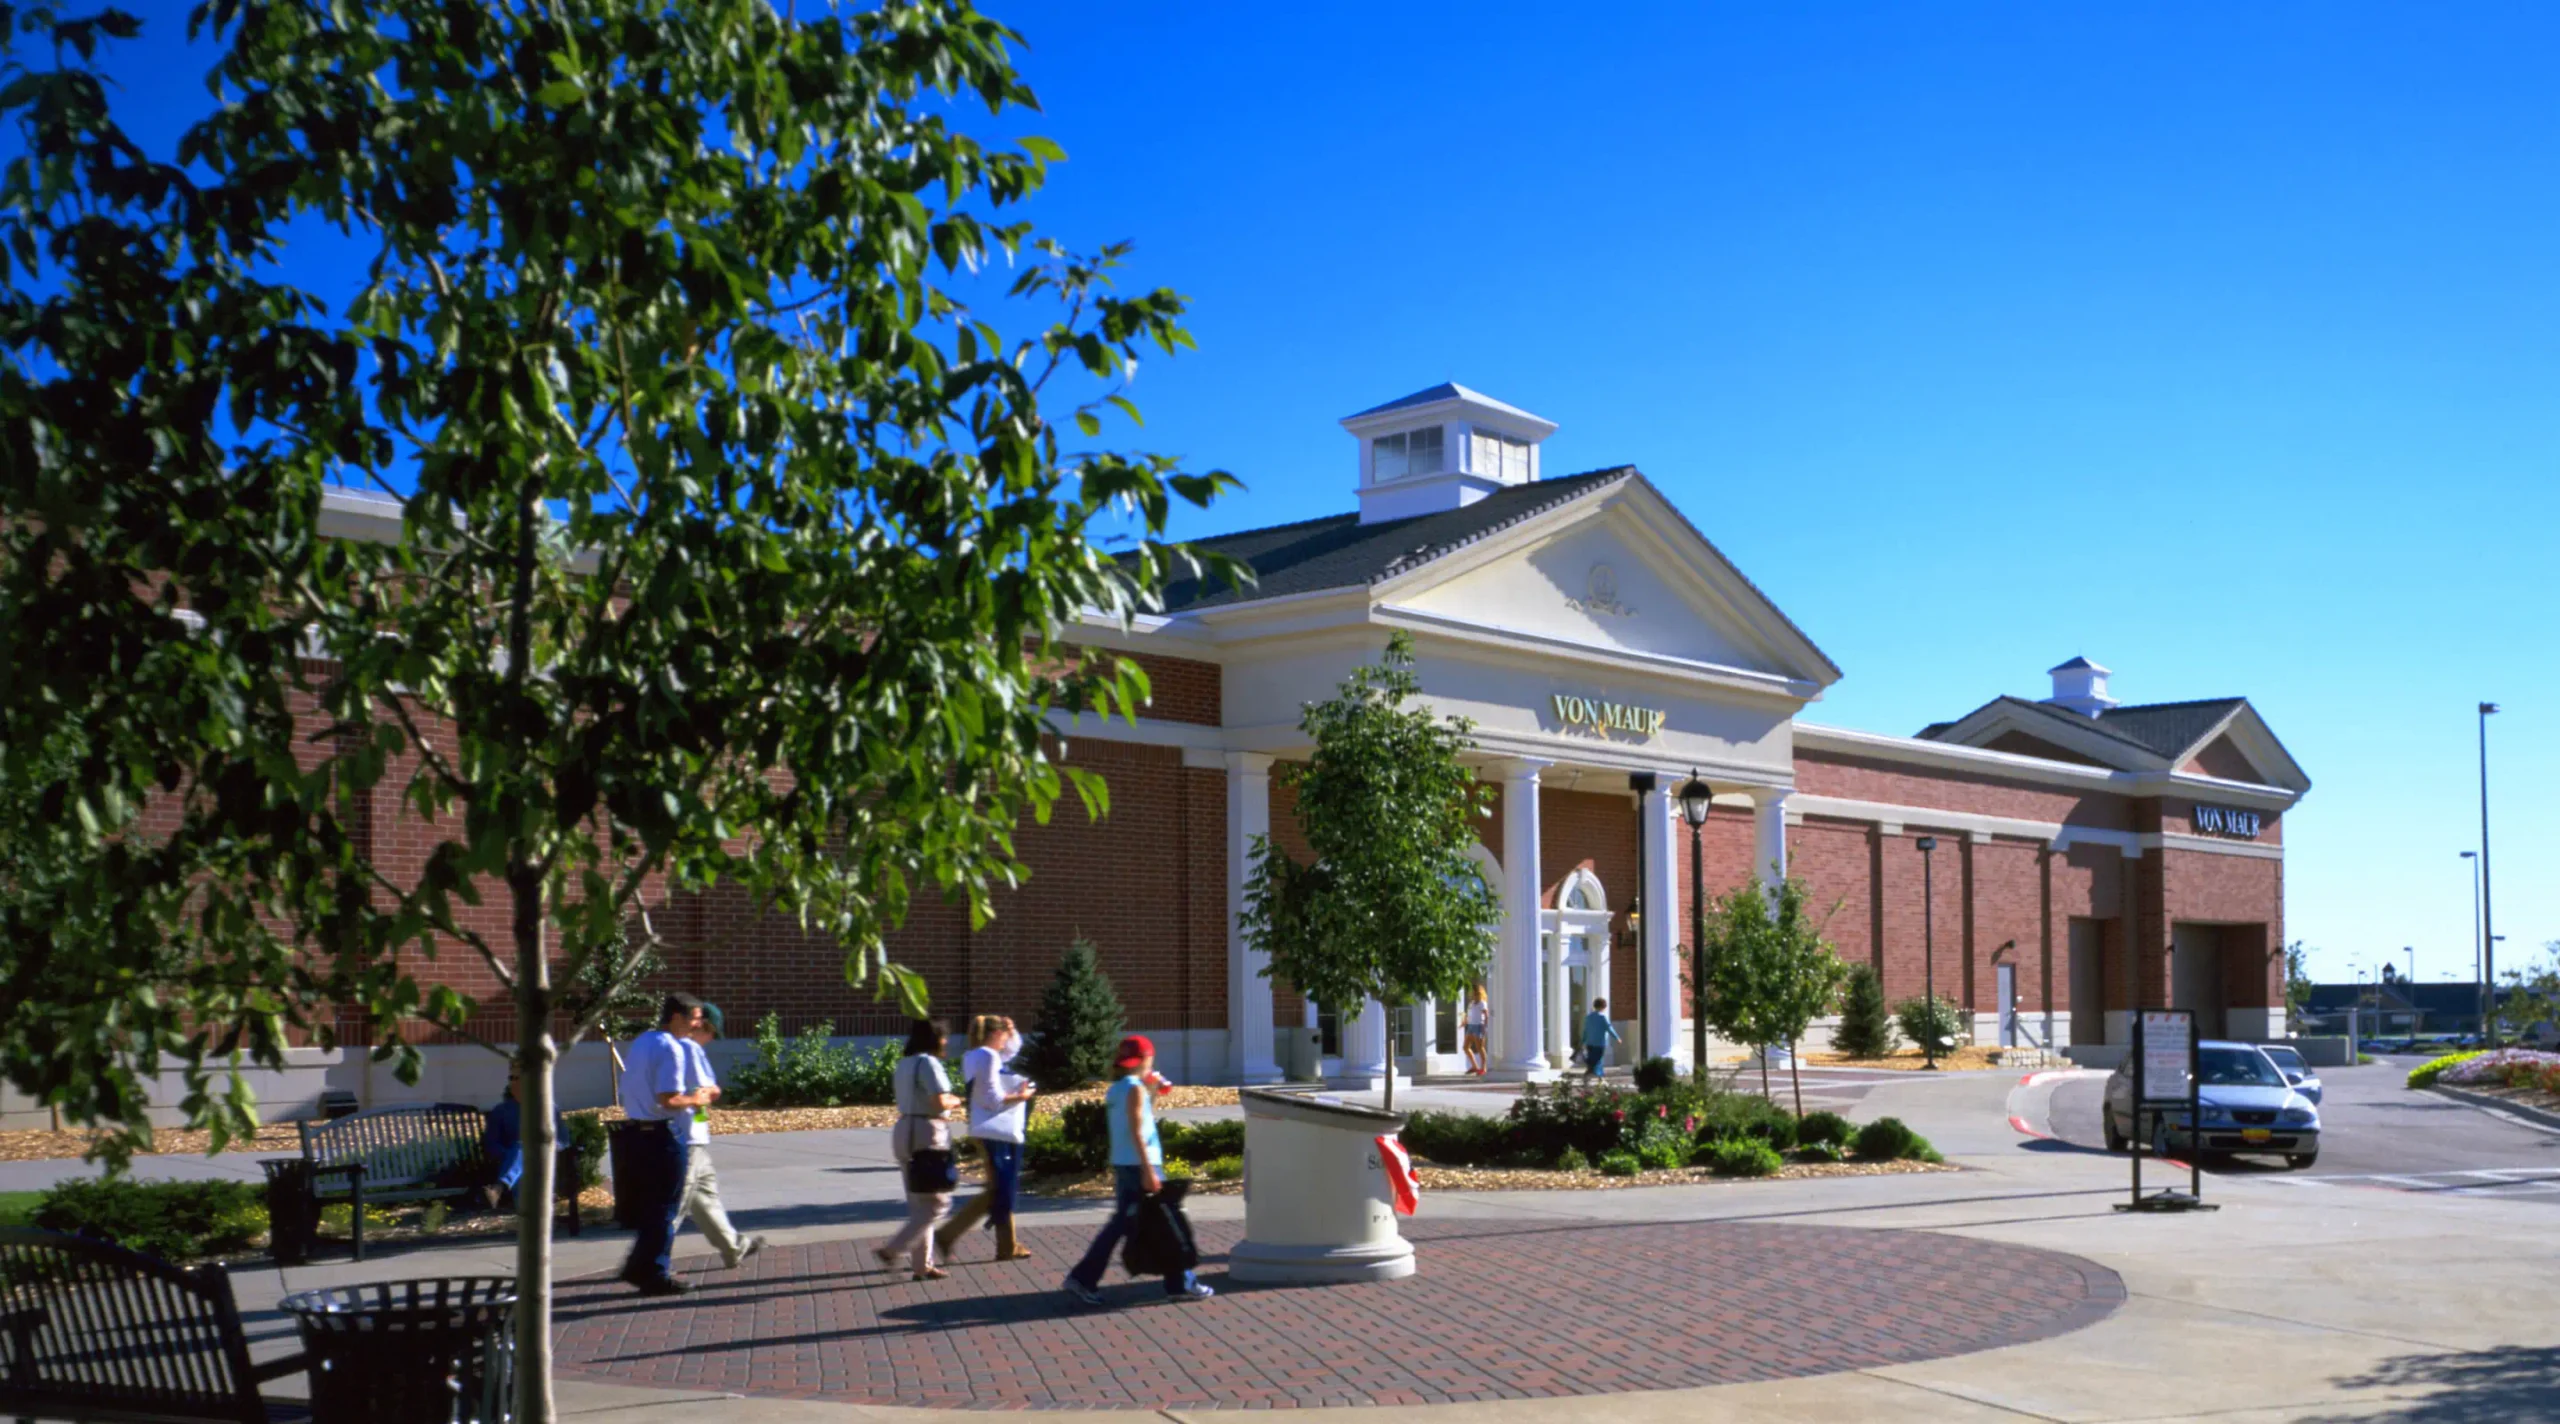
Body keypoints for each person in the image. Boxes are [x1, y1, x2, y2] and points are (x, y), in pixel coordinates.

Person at [1063, 1034, 1214, 1306]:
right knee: (1167, 1221)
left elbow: (1140, 1121)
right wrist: (1148, 1169)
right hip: (1139, 1164)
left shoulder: (1119, 1088)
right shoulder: (1134, 1089)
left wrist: (1153, 1091)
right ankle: (1179, 1283)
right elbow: (1137, 1130)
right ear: (1147, 1058)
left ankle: (1177, 1283)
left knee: (1132, 1223)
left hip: (1125, 1162)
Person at [618, 993, 713, 1296]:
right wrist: (696, 1099)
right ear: (676, 1017)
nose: (698, 1024)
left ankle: (638, 1266)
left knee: (650, 1206)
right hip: (662, 1136)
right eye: (694, 1018)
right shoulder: (672, 1048)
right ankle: (656, 1273)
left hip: (634, 1133)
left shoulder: (644, 1041)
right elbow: (668, 1099)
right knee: (665, 1208)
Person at [935, 1014, 1037, 1263]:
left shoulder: (975, 1056)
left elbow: (1011, 1051)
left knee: (1001, 1188)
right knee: (999, 1190)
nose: (1006, 1041)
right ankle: (948, 1234)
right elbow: (992, 1098)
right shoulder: (989, 1056)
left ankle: (1007, 1245)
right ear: (994, 1034)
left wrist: (1012, 1031)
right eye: (1003, 1034)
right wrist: (1021, 1097)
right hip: (997, 1131)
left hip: (984, 1129)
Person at [679, 1004, 766, 1269]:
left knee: (705, 1196)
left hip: (693, 1137)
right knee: (676, 1203)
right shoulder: (690, 1050)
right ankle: (648, 1260)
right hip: (686, 1139)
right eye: (713, 1032)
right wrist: (707, 1101)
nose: (713, 1039)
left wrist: (702, 1120)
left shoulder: (675, 1048)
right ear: (701, 1025)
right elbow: (707, 1090)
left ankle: (733, 1247)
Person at [875, 1018, 963, 1280]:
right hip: (926, 1132)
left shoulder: (904, 1064)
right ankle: (892, 1250)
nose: (947, 1041)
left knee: (920, 1203)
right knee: (938, 1203)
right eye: (944, 1036)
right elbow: (938, 1102)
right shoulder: (928, 1062)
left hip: (904, 1130)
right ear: (935, 1038)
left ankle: (922, 1266)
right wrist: (956, 1100)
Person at [480, 1061, 559, 1211]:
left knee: (523, 1150)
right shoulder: (501, 1111)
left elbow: (563, 1139)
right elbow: (491, 1142)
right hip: (510, 1157)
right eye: (512, 1079)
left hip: (542, 1156)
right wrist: (509, 1155)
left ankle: (499, 1188)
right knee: (521, 1151)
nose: (516, 1083)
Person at [1579, 997, 1620, 1078]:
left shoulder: (1589, 1017)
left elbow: (1585, 1031)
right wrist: (1617, 1037)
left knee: (1592, 1060)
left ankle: (1594, 1076)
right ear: (1603, 1007)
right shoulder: (1603, 1017)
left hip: (1589, 1043)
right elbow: (1609, 1028)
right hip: (1599, 1043)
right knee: (1598, 1060)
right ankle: (1597, 1076)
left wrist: (1582, 1041)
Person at [1462, 984, 1491, 1076]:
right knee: (1465, 1047)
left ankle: (1483, 1068)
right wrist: (1464, 1022)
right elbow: (1468, 1014)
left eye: (1476, 993)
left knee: (1480, 1048)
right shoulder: (1471, 1003)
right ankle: (1474, 1066)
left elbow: (1486, 1015)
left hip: (1479, 1026)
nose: (1474, 995)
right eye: (1473, 993)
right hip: (1470, 1026)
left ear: (1480, 993)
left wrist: (1485, 1027)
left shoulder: (1482, 1003)